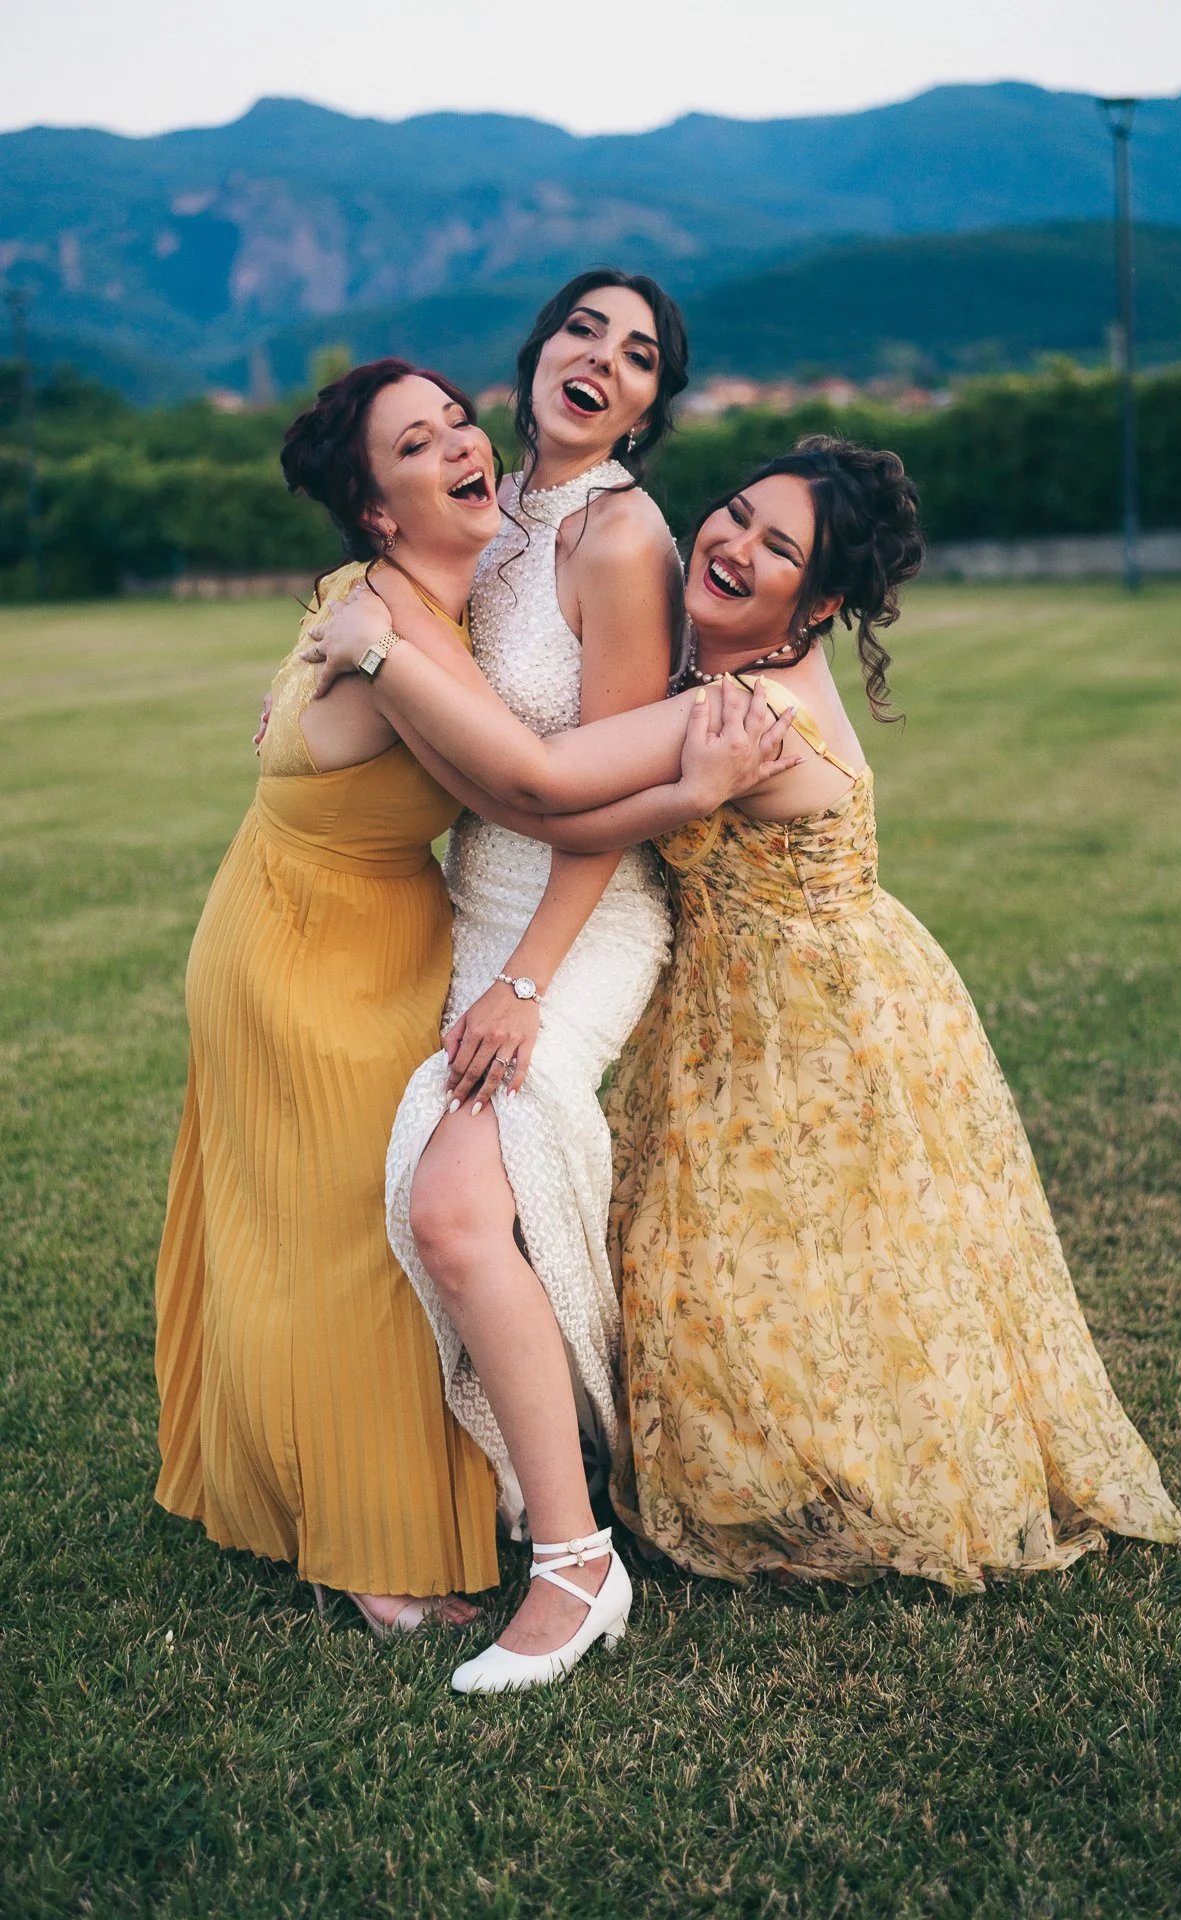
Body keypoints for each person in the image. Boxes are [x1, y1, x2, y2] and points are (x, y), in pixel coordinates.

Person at [317, 433, 1181, 1599]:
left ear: (815, 602)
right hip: (758, 990)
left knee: (811, 1263)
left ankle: (820, 1483)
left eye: (777, 549)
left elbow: (541, 782)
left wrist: (380, 654)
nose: (731, 545)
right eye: (733, 513)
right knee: (763, 1264)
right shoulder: (709, 669)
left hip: (813, 1009)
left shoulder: (744, 711)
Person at [153, 355, 796, 1645]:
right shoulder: (384, 625)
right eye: (414, 444)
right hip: (304, 947)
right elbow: (529, 789)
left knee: (370, 1224)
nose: (458, 446)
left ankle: (443, 1493)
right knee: (343, 1242)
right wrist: (689, 789)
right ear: (375, 508)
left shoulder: (409, 598)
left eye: (455, 421)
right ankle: (363, 1545)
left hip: (390, 926)